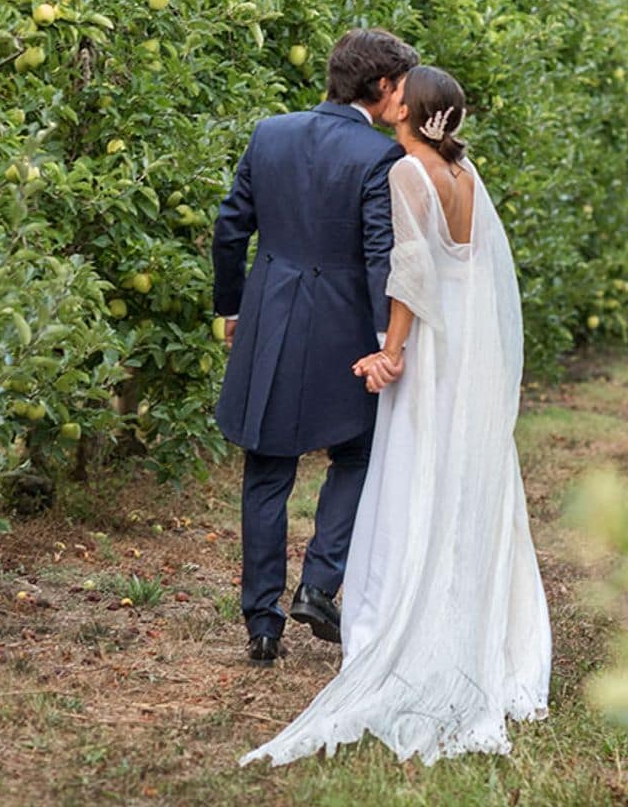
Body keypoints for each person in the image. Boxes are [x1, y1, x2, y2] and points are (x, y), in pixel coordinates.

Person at [240, 66, 552, 766]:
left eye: (399, 90)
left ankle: (407, 615)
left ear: (408, 107)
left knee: (415, 466)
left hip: (430, 340)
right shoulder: (465, 176)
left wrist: (391, 350)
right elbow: (473, 268)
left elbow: (410, 272)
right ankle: (479, 617)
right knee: (464, 467)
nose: (389, 97)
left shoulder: (408, 172)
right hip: (469, 342)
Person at [212, 28, 418, 666]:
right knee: (357, 454)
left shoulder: (269, 132)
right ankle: (320, 585)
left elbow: (229, 228)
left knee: (267, 469)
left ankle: (261, 622)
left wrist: (231, 306)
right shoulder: (380, 157)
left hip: (268, 318)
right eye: (401, 86)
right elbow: (380, 255)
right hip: (343, 330)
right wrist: (389, 343)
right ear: (382, 86)